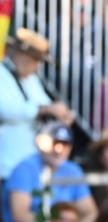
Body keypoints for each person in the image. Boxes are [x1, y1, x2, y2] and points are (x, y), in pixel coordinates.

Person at [0, 28, 74, 184]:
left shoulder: (31, 80)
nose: (37, 66)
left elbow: (45, 103)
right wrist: (44, 110)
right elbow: (5, 109)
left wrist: (60, 115)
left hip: (29, 164)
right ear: (21, 56)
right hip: (6, 164)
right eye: (35, 60)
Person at [2, 123, 96, 222]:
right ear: (41, 144)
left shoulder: (73, 170)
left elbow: (90, 212)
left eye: (65, 144)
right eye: (54, 143)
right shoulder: (25, 168)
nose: (59, 150)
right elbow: (20, 216)